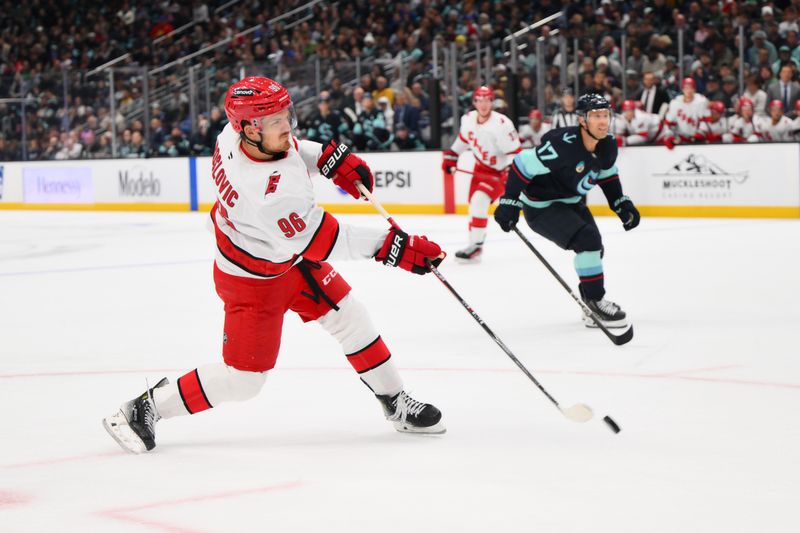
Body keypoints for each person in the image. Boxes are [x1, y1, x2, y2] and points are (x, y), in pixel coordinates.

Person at [103, 77, 447, 454]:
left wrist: (329, 160)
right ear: (249, 127)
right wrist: (397, 248)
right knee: (244, 379)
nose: (287, 126)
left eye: (286, 114)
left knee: (351, 317)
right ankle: (144, 407)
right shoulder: (270, 195)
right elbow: (327, 241)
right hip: (252, 280)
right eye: (275, 121)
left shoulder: (231, 136)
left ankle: (395, 402)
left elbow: (294, 149)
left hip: (282, 254)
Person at [493, 93, 640, 328]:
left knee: (594, 248)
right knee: (587, 240)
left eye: (605, 115)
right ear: (582, 120)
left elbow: (607, 175)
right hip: (542, 207)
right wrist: (510, 202)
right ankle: (595, 303)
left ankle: (589, 302)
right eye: (596, 116)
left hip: (572, 201)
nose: (603, 121)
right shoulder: (563, 144)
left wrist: (620, 203)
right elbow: (522, 163)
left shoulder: (608, 144)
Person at [441, 86, 521, 263]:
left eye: (487, 100)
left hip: (499, 172)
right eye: (479, 100)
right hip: (480, 169)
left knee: (479, 201)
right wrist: (452, 156)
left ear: (492, 102)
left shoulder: (502, 124)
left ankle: (476, 246)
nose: (483, 104)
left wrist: (510, 172)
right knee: (474, 206)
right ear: (474, 102)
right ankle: (474, 244)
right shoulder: (468, 119)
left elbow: (516, 152)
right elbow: (463, 140)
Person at [663, 77, 710, 144]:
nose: (689, 90)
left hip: (696, 139)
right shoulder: (675, 102)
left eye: (691, 88)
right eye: (686, 88)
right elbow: (668, 123)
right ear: (683, 89)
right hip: (679, 139)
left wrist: (700, 133)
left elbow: (706, 122)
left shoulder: (701, 101)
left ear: (694, 89)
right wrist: (670, 135)